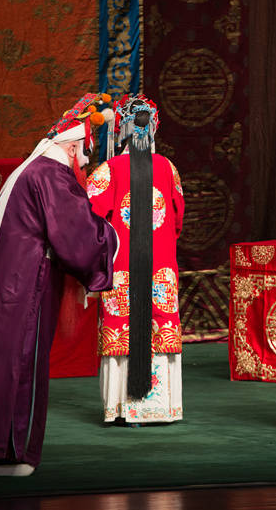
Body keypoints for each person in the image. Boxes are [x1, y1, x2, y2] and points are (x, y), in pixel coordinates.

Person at [0, 94, 119, 476]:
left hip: (8, 287)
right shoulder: (49, 174)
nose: (84, 163)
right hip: (23, 290)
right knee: (18, 366)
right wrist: (110, 234)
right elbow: (77, 237)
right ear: (72, 146)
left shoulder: (31, 170)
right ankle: (10, 454)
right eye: (83, 154)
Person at [86, 94, 184, 426]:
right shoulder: (168, 169)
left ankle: (120, 409)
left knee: (122, 330)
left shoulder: (107, 171)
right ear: (153, 128)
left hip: (124, 268)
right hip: (160, 269)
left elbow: (89, 220)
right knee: (160, 328)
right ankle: (162, 408)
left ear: (123, 131)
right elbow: (179, 219)